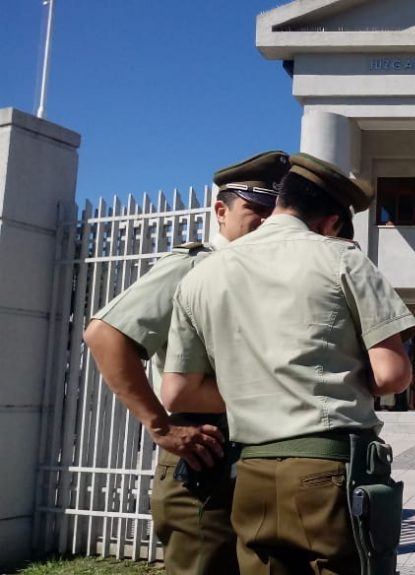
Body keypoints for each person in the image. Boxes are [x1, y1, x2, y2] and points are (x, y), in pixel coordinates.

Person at [162, 152, 415, 574]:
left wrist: (260, 389)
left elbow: (178, 391)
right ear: (333, 222)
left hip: (250, 471)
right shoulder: (343, 260)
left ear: (280, 202)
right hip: (329, 469)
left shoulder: (200, 275)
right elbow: (392, 375)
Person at [82, 150, 290, 575]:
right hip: (204, 458)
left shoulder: (266, 273)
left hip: (258, 456)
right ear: (221, 211)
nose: (267, 221)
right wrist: (160, 426)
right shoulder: (194, 266)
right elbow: (105, 335)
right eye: (256, 209)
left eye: (276, 211)